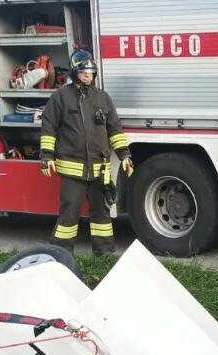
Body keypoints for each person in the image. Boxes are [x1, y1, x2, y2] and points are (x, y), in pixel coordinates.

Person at [39, 49, 133, 255]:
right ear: (75, 73)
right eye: (84, 72)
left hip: (100, 171)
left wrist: (125, 155)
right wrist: (46, 157)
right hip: (73, 171)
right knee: (68, 217)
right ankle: (59, 255)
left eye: (91, 72)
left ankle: (105, 255)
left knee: (102, 217)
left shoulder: (103, 98)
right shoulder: (61, 97)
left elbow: (115, 130)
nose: (88, 76)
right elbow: (49, 128)